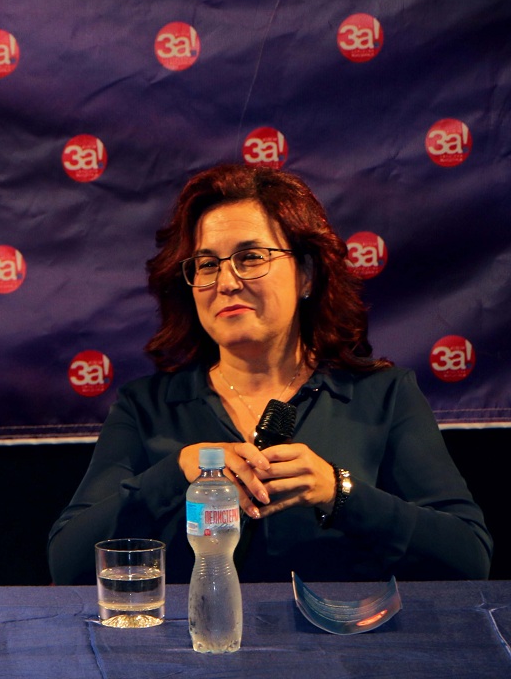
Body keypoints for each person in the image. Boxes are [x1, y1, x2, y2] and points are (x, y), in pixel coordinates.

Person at [48, 163, 491, 585]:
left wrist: (339, 493)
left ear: (306, 275)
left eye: (251, 257)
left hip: (340, 641)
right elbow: (68, 561)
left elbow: (469, 557)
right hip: (191, 639)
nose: (226, 282)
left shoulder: (383, 396)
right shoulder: (146, 407)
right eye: (207, 264)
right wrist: (174, 474)